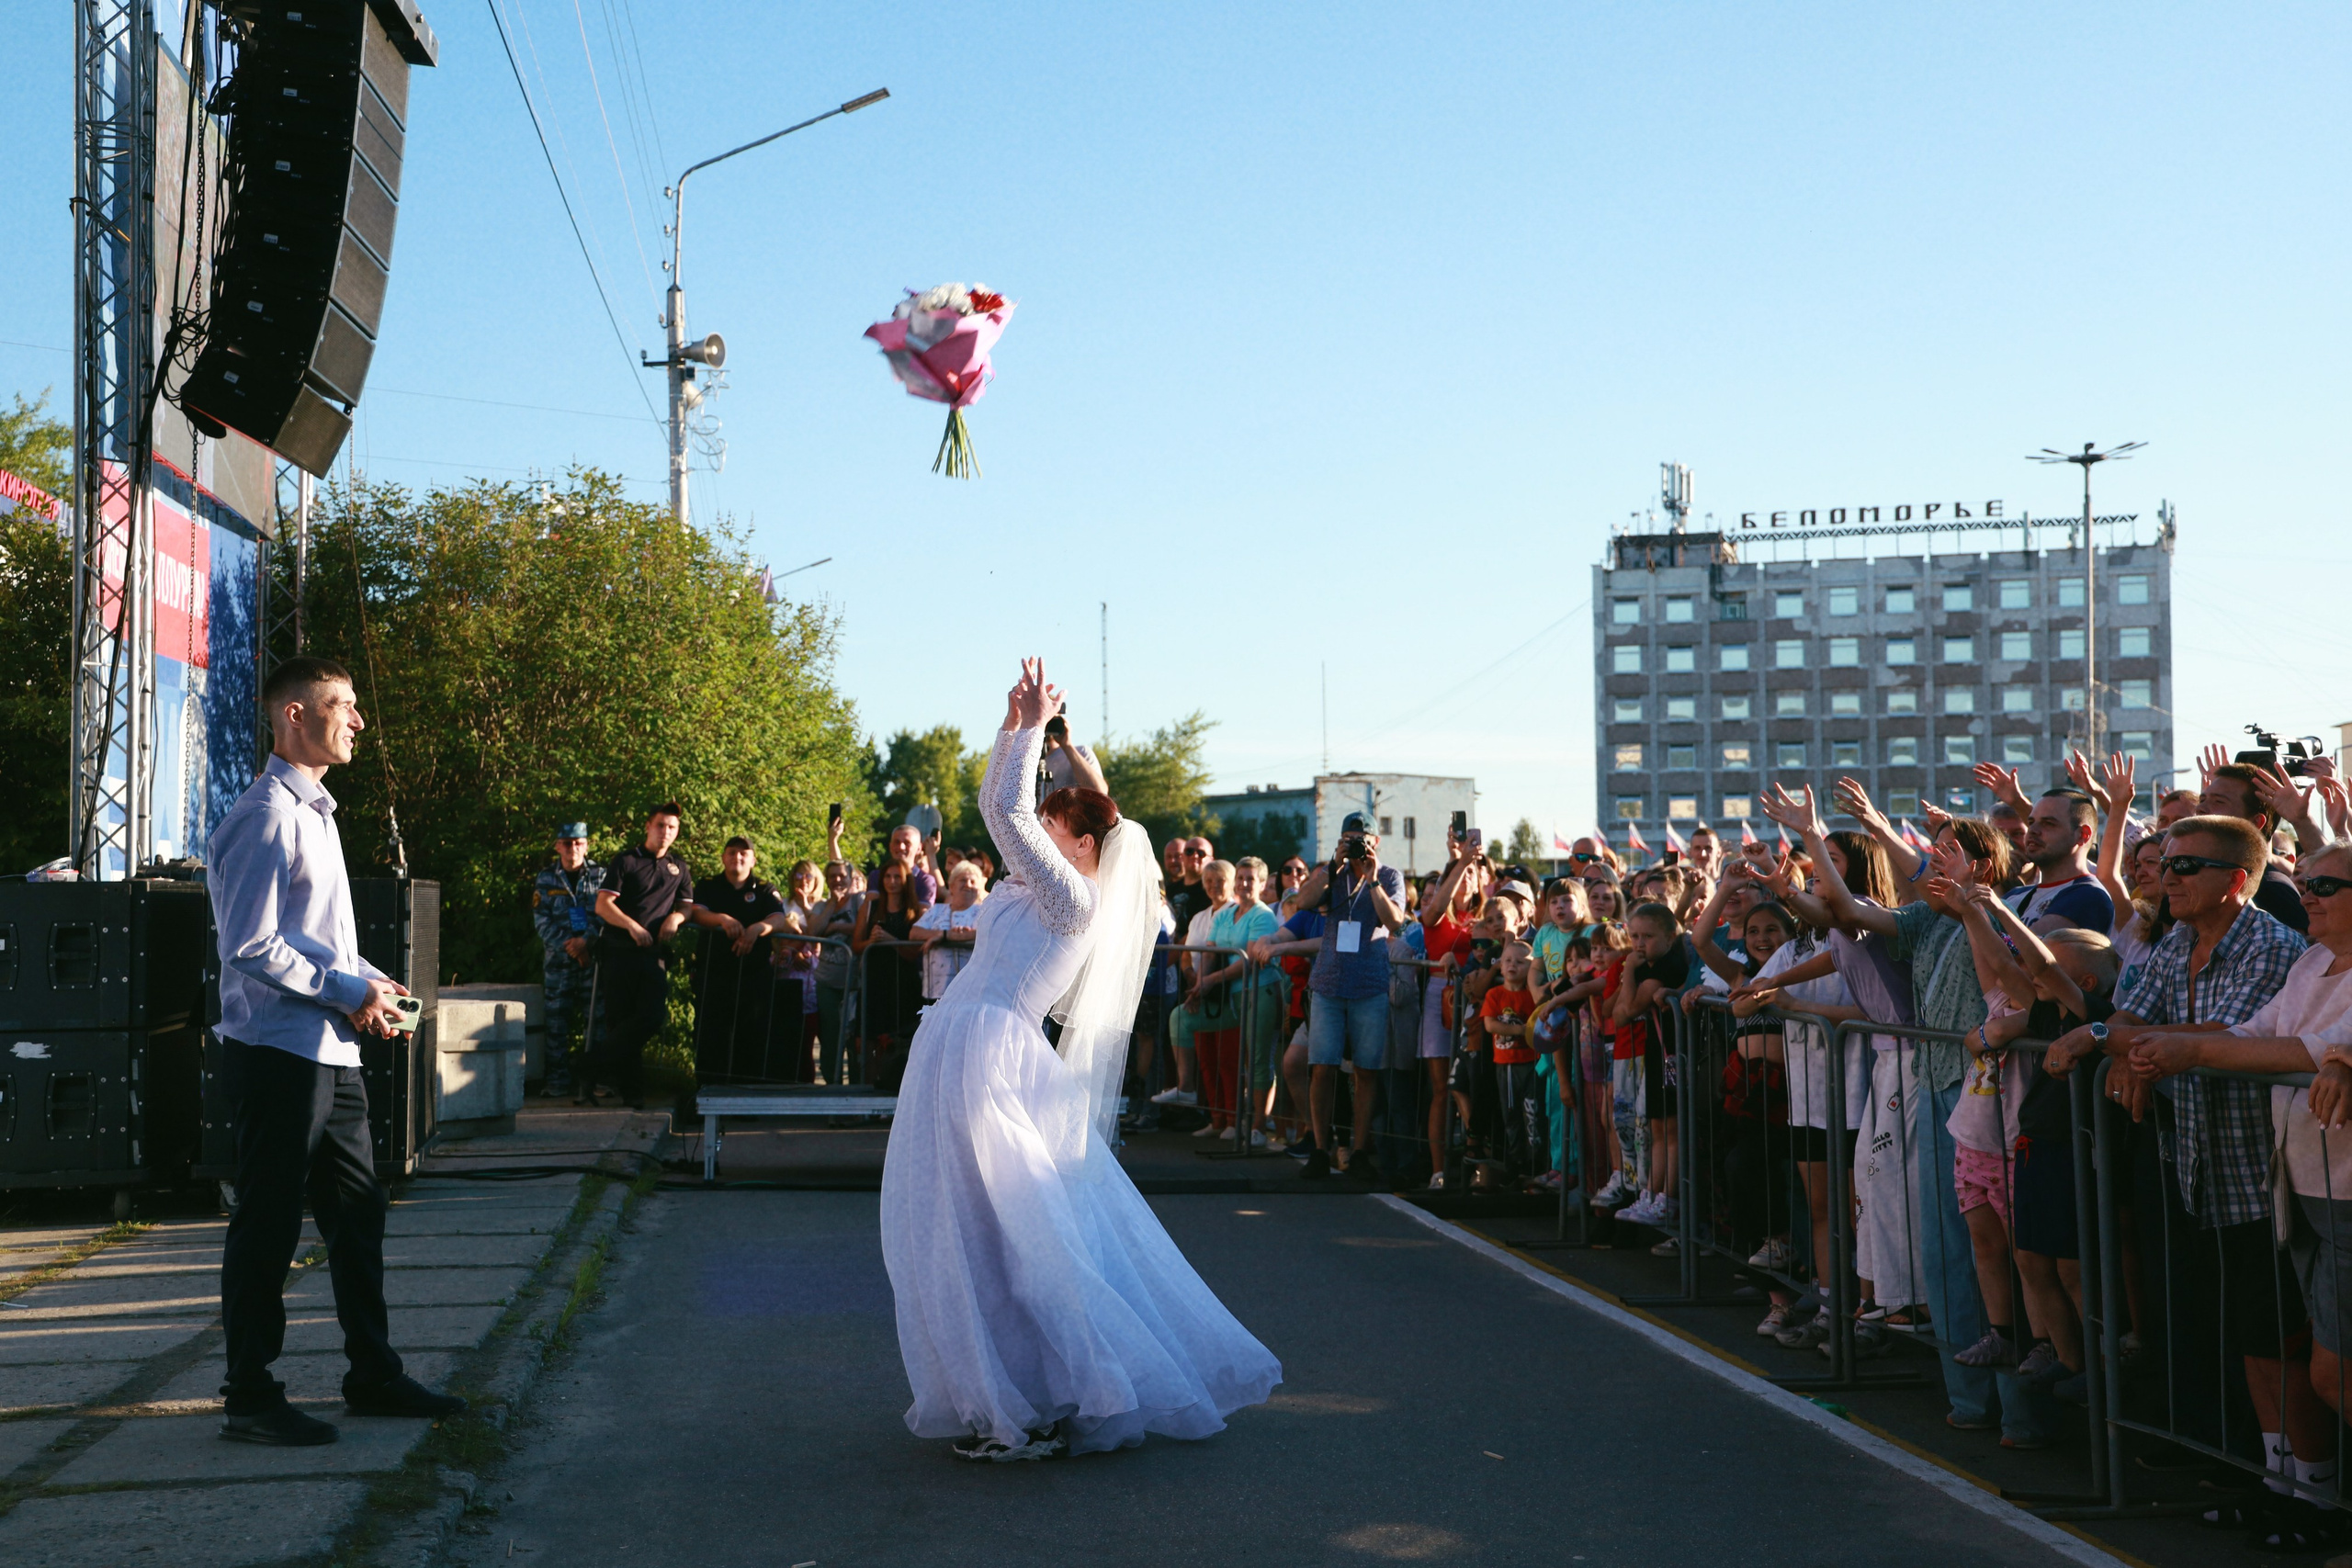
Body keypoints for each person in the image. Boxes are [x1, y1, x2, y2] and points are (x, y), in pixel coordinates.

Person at [880, 659, 1279, 1461]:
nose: (1042, 832)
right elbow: (1006, 807)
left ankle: (1042, 1395)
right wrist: (1012, 727)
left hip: (988, 1052)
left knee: (1014, 1232)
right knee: (970, 1227)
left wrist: (1029, 731)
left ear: (1084, 844)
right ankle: (1018, 1386)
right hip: (963, 1044)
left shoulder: (1071, 901)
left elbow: (1005, 809)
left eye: (1058, 825)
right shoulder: (1037, 891)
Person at [209, 656, 464, 1445]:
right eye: (341, 704)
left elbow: (315, 940)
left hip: (332, 1053)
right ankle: (249, 1396)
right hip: (280, 1054)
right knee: (270, 1223)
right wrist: (350, 994)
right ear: (294, 715)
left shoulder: (317, 813)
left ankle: (373, 1373)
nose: (356, 719)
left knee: (358, 1215)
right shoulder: (264, 816)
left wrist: (370, 981)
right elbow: (250, 943)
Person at [2047, 814, 2314, 1519]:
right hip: (2194, 1163)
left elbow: (2228, 1036)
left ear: (2234, 880)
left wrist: (2111, 1040)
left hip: (2264, 1175)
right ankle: (2248, 1466)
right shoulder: (2176, 943)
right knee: (2214, 1326)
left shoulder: (2270, 945)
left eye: (2185, 865)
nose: (2167, 875)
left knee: (2269, 1337)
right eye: (2166, 862)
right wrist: (2130, 1053)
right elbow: (2139, 1016)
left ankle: (2295, 1487)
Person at [1290, 813, 1410, 1180]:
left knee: (1366, 1071)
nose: (1356, 846)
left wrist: (1371, 879)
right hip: (1327, 984)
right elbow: (1302, 903)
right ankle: (1321, 1148)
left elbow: (1395, 923)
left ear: (1376, 843)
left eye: (1362, 840)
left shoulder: (1389, 876)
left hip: (1369, 986)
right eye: (1349, 838)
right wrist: (1333, 865)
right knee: (1321, 1067)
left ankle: (1358, 1150)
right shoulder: (1332, 872)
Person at [589, 804, 696, 1108]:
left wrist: (676, 919)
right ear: (648, 826)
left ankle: (591, 1064)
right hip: (619, 951)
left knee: (650, 1017)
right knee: (620, 1022)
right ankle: (632, 1094)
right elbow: (603, 905)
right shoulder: (626, 860)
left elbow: (687, 907)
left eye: (672, 827)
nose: (666, 832)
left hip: (653, 955)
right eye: (661, 825)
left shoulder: (679, 868)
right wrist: (633, 927)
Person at [688, 837, 788, 1087]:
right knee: (711, 1037)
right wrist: (722, 919)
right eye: (731, 852)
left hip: (753, 977)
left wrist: (757, 929)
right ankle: (709, 1097)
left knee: (752, 1037)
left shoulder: (765, 889)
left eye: (744, 853)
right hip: (714, 974)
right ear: (723, 857)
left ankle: (746, 1100)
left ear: (753, 859)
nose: (737, 857)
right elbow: (697, 913)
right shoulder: (708, 885)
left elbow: (779, 919)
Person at [531, 822, 604, 1099]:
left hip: (593, 962)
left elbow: (605, 914)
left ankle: (595, 1081)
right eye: (567, 843)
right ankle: (558, 1082)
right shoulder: (546, 878)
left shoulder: (601, 875)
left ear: (586, 845)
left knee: (596, 1021)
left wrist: (587, 941)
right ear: (558, 846)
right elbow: (542, 922)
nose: (573, 848)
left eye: (578, 843)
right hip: (558, 963)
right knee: (557, 1023)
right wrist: (572, 947)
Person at [912, 861, 989, 1004]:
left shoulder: (984, 912)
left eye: (973, 882)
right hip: (936, 988)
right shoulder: (937, 910)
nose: (968, 885)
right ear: (952, 886)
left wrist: (946, 937)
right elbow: (914, 932)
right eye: (963, 880)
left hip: (970, 990)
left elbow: (988, 934)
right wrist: (942, 934)